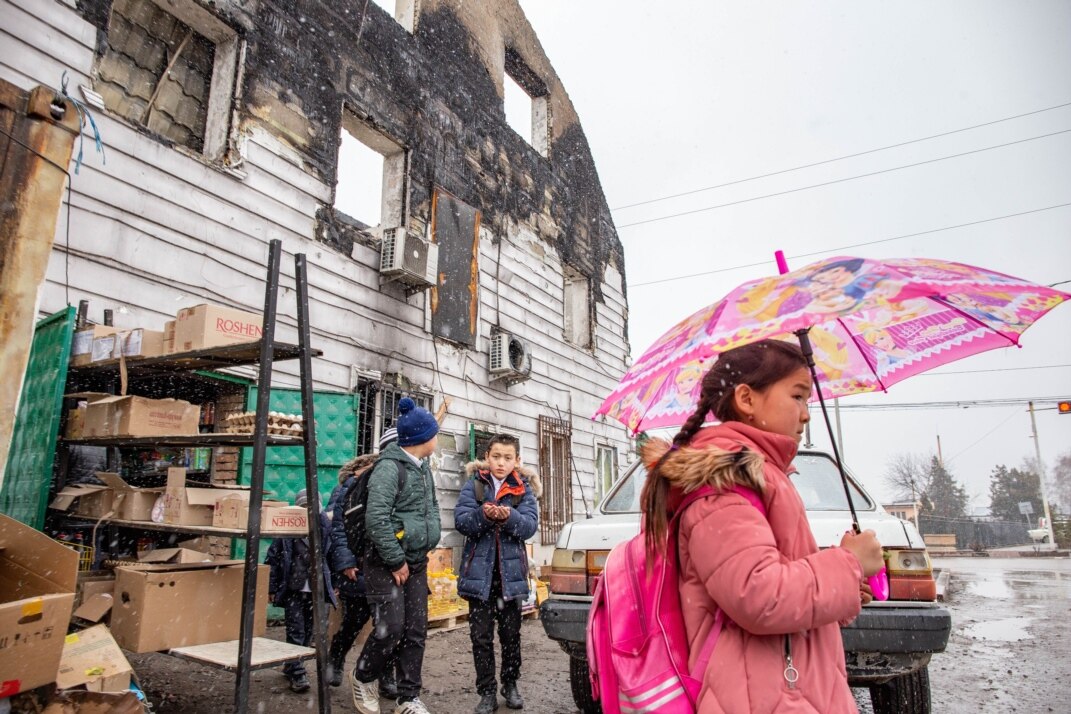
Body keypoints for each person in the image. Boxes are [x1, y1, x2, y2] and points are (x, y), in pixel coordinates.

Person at [639, 339, 884, 713]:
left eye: (808, 400)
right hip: (760, 696)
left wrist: (843, 581)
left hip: (782, 690)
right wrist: (847, 564)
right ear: (747, 399)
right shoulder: (724, 484)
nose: (806, 415)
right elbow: (759, 596)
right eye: (797, 396)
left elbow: (775, 576)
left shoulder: (763, 476)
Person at [350, 397, 442, 714]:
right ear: (422, 438)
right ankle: (363, 677)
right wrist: (395, 559)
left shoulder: (423, 468)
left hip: (416, 561)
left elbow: (430, 509)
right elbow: (376, 519)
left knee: (415, 632)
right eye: (434, 433)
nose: (437, 437)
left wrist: (427, 539)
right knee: (390, 628)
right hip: (384, 562)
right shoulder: (389, 469)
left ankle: (408, 698)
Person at [454, 434, 540, 714]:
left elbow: (529, 526)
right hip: (479, 577)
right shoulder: (475, 485)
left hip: (510, 577)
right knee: (480, 638)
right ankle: (487, 691)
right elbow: (462, 522)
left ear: (517, 460)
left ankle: (510, 684)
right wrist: (484, 515)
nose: (501, 463)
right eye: (496, 457)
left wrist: (509, 517)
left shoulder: (523, 489)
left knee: (511, 635)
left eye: (507, 458)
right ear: (487, 457)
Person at [326, 454, 400, 697]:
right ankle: (336, 659)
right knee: (353, 622)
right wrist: (346, 562)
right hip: (358, 568)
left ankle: (385, 674)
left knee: (388, 625)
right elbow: (338, 528)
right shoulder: (346, 490)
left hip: (384, 565)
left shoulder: (388, 485)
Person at [266, 489, 339, 693]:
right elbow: (273, 558)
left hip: (316, 589)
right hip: (294, 588)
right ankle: (298, 672)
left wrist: (334, 583)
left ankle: (292, 664)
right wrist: (272, 587)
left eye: (311, 506)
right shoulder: (287, 530)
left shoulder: (326, 528)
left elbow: (332, 557)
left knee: (308, 630)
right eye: (304, 506)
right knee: (296, 629)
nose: (308, 511)